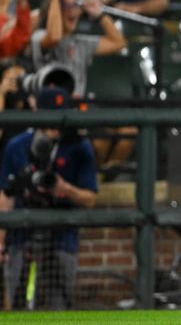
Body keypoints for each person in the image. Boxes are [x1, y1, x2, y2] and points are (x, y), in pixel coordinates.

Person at [0, 87, 97, 310]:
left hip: (61, 235)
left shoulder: (79, 147)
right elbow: (6, 195)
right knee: (14, 304)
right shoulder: (18, 146)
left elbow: (91, 198)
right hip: (21, 233)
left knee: (59, 306)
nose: (53, 126)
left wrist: (64, 188)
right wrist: (1, 241)